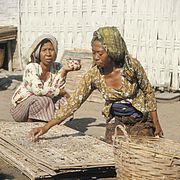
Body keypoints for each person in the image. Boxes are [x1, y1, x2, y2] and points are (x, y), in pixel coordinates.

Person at [29, 27, 163, 144]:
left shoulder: (131, 66)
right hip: (116, 121)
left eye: (100, 53)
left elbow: (148, 92)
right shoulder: (94, 75)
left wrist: (156, 123)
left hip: (140, 119)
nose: (96, 57)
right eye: (93, 52)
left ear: (112, 51)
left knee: (141, 151)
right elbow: (73, 103)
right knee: (116, 153)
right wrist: (46, 128)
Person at [10, 34, 81, 122]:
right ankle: (30, 124)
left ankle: (51, 124)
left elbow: (58, 87)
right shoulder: (31, 67)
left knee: (62, 101)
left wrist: (64, 72)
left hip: (44, 104)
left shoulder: (57, 67)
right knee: (44, 100)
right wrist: (61, 92)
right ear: (38, 53)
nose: (48, 54)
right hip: (22, 110)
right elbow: (38, 90)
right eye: (44, 50)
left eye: (51, 50)